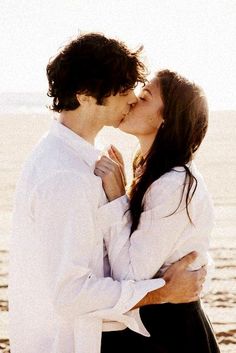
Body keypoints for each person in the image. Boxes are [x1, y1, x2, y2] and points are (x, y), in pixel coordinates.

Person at [9, 34, 205, 353]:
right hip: (70, 343)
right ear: (86, 95)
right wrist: (163, 291)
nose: (131, 99)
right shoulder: (65, 176)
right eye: (123, 89)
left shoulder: (88, 158)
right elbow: (71, 293)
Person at [95, 70, 220, 353]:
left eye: (144, 98)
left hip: (171, 333)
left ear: (166, 119)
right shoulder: (154, 174)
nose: (131, 102)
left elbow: (130, 275)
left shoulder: (174, 184)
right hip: (159, 324)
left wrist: (117, 199)